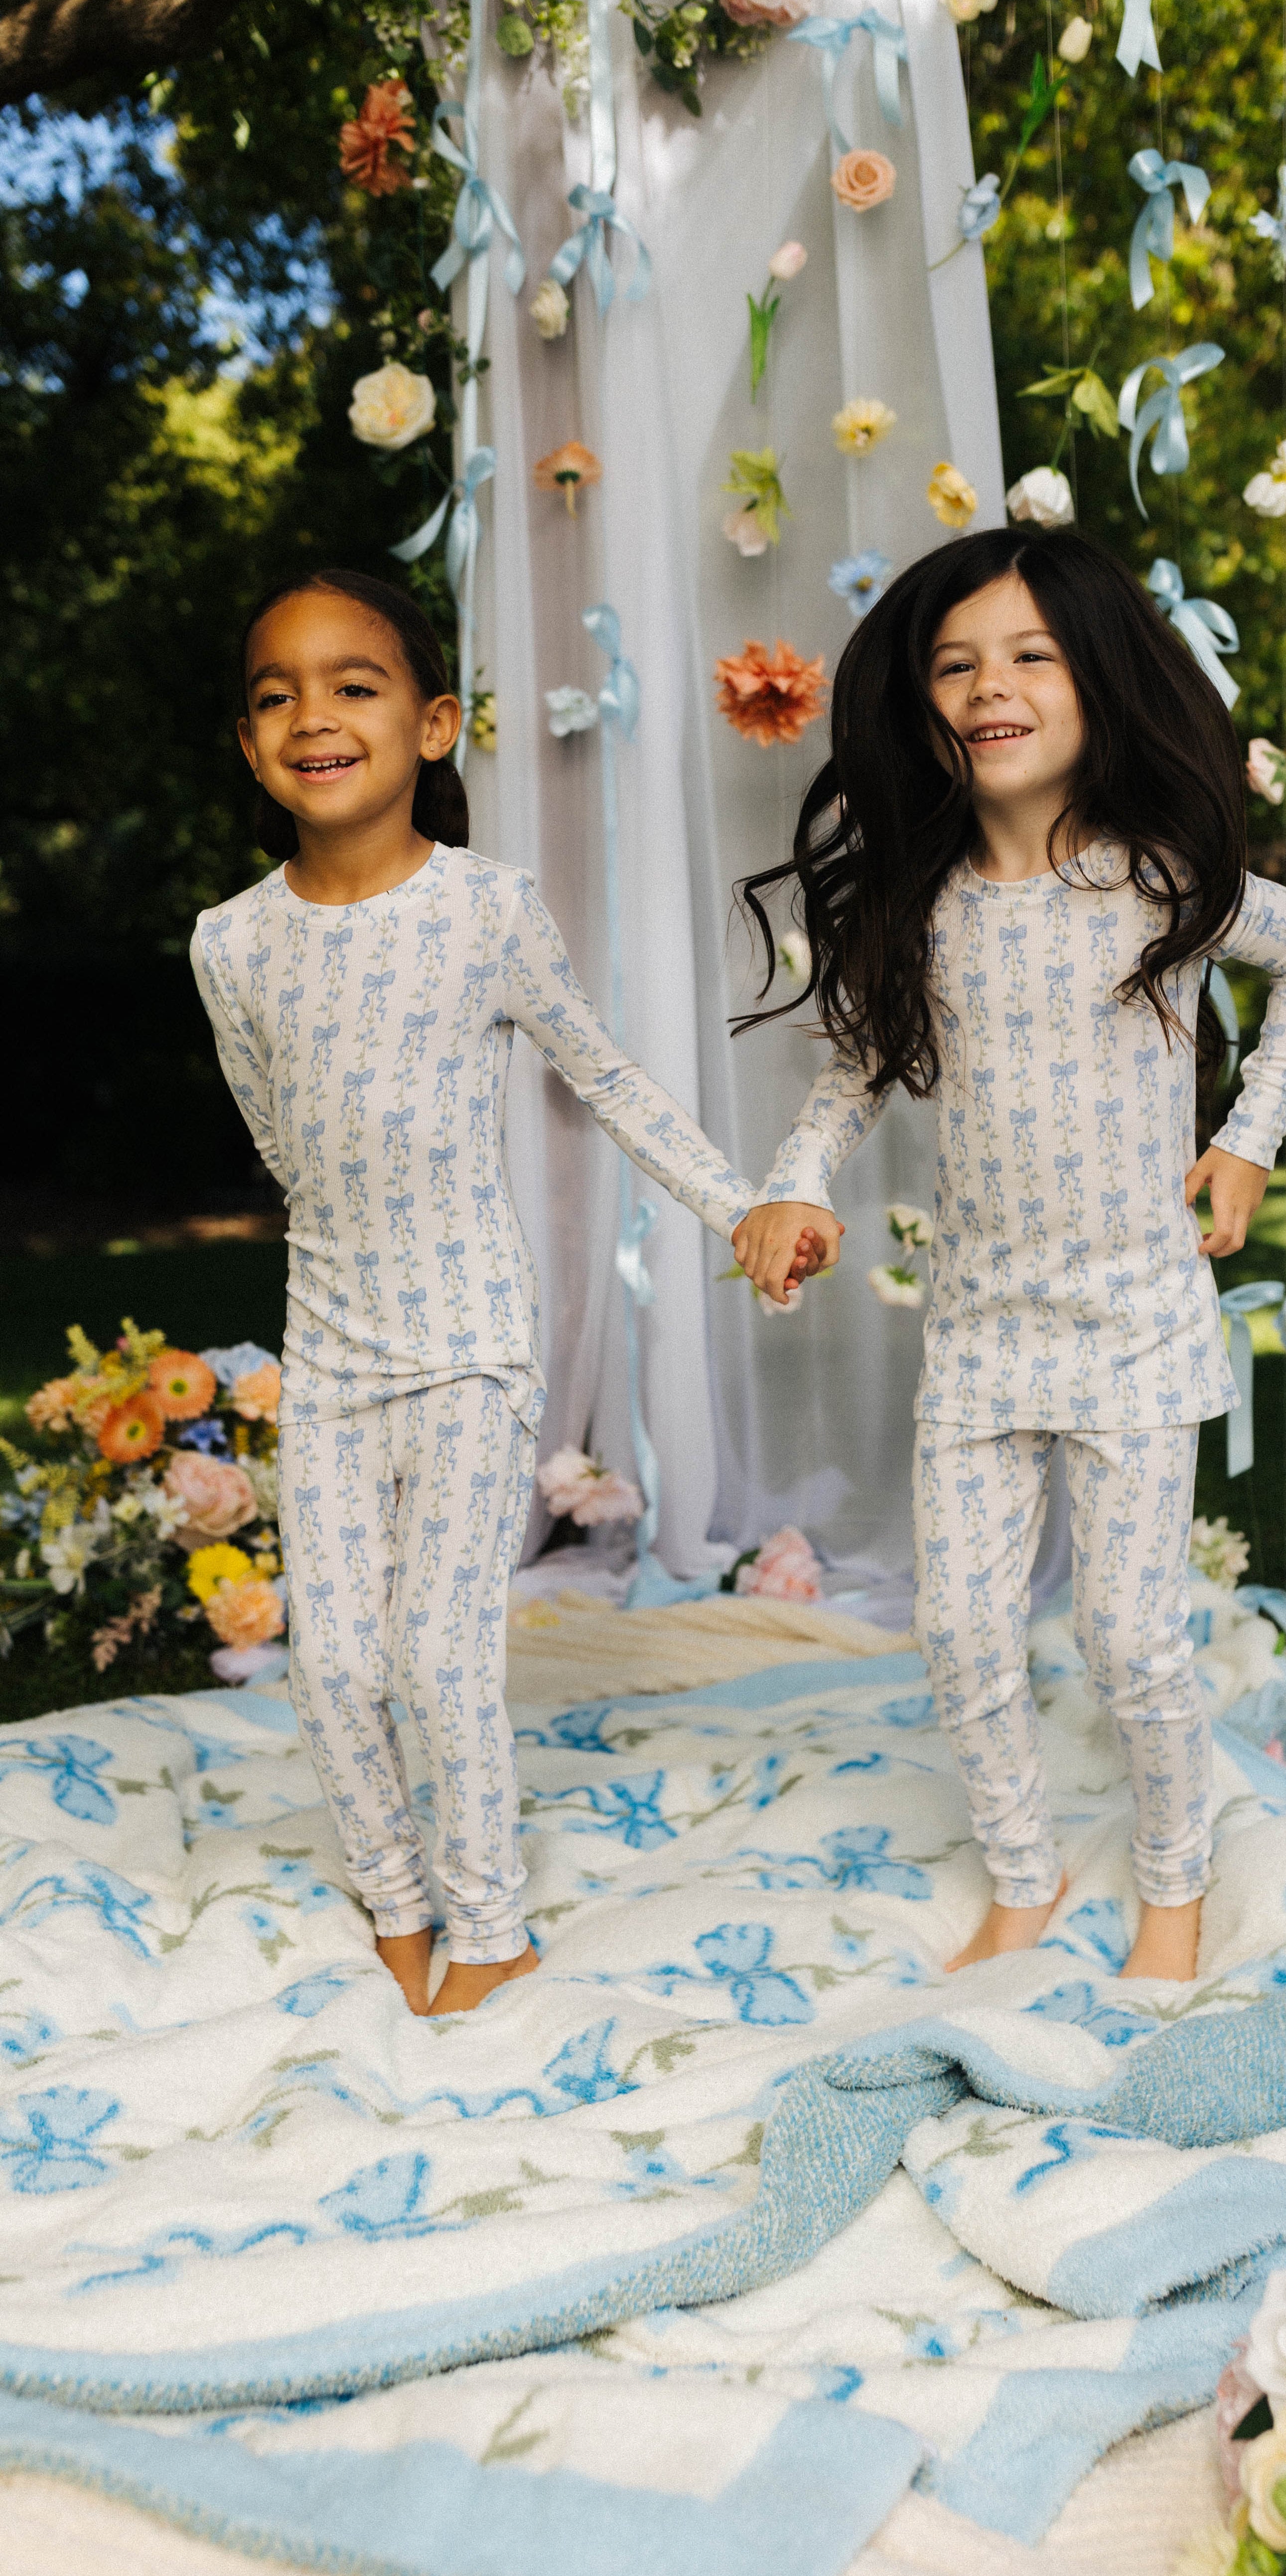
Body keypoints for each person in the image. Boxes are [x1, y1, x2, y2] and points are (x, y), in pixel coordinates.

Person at [194, 570, 831, 2015]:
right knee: (337, 1663)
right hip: (336, 1350)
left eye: (353, 685)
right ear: (249, 746)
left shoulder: (487, 910)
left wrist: (742, 1206)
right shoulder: (228, 942)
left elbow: (602, 1072)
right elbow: (280, 1137)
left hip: (475, 1339)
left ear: (430, 725)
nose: (314, 715)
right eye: (278, 693)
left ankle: (492, 1927)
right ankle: (397, 1901)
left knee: (434, 1653)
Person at [731, 530, 1286, 1983]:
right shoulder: (922, 900)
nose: (987, 687)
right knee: (958, 1632)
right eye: (955, 664)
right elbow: (853, 1076)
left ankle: (1176, 1883)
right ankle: (1022, 1871)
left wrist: (1252, 1130)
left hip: (1133, 1322)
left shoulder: (1159, 876)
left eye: (1029, 656)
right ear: (923, 703)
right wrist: (794, 1186)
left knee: (1134, 1644)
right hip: (984, 1333)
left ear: (1097, 683)